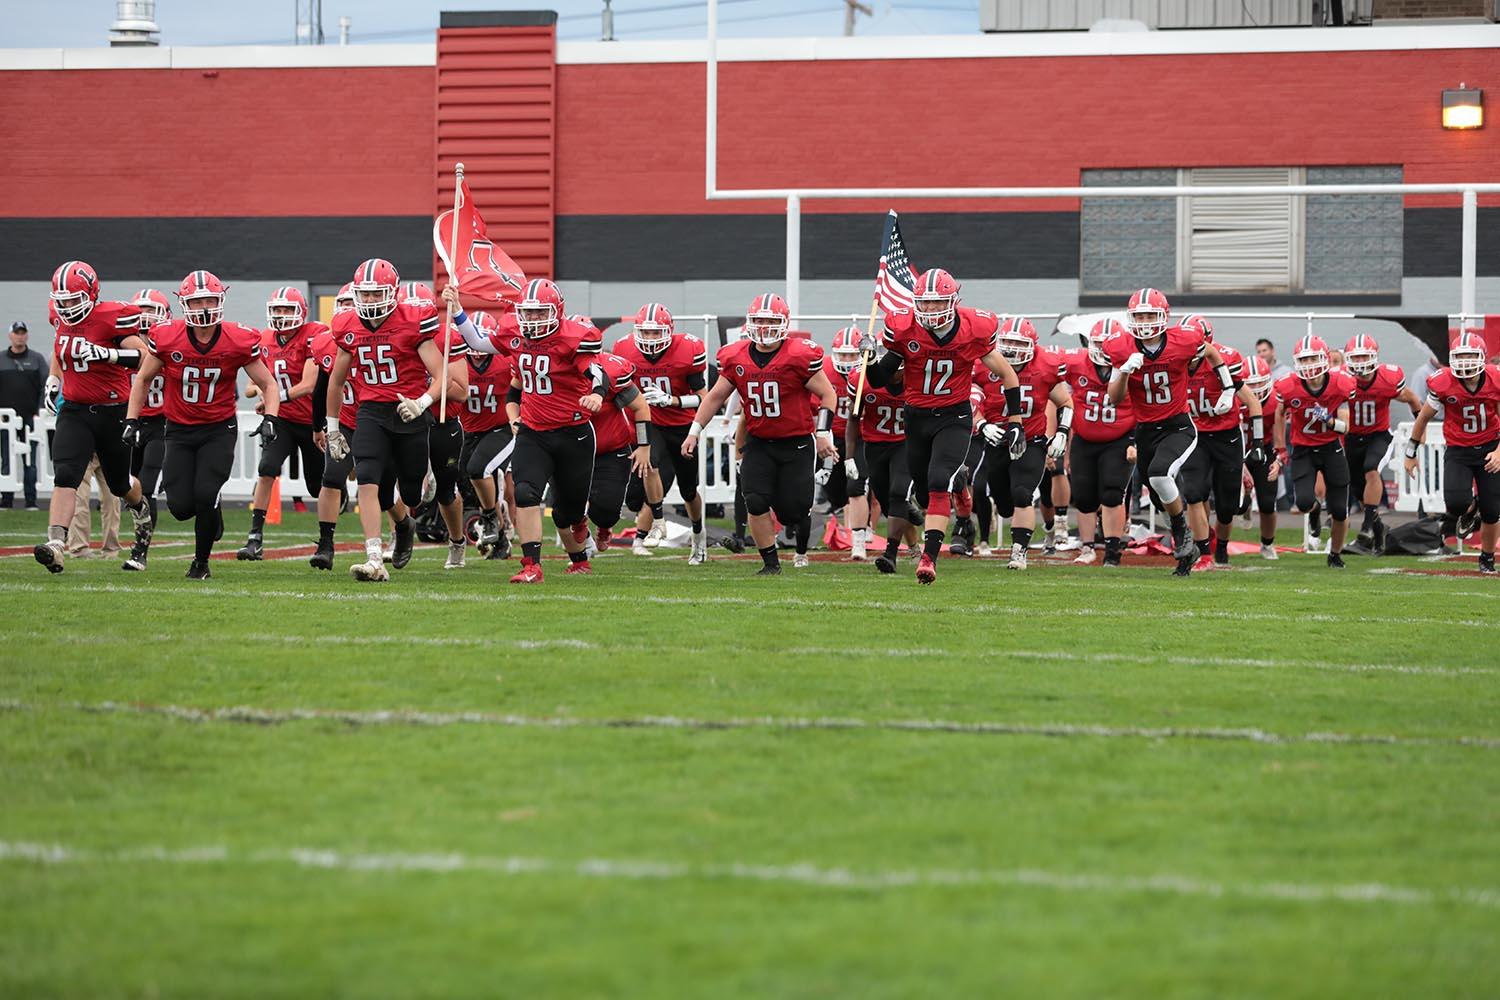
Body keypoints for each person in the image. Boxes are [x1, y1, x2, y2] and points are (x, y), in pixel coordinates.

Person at [863, 269, 1024, 584]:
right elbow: (881, 380)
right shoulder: (905, 329)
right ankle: (960, 484)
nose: (932, 309)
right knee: (923, 494)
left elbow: (1008, 375)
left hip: (954, 416)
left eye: (939, 303)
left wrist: (1015, 421)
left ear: (953, 301)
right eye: (926, 303)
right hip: (916, 416)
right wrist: (869, 358)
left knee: (938, 483)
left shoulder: (974, 328)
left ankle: (928, 560)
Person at [125, 270, 280, 579]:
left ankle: (201, 563)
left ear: (221, 300)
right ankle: (211, 511)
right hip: (179, 429)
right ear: (185, 304)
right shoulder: (168, 336)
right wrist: (132, 419)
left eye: (210, 300)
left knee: (205, 494)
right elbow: (142, 378)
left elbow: (268, 383)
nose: (205, 307)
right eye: (197, 302)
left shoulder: (237, 338)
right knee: (181, 507)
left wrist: (271, 418)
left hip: (218, 429)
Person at [682, 292, 838, 576]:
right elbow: (715, 397)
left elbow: (828, 394)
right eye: (759, 321)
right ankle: (771, 564)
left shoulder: (799, 354)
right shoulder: (736, 356)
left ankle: (798, 545)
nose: (764, 327)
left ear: (783, 323)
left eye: (770, 321)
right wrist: (694, 431)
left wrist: (824, 431)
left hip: (797, 443)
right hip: (759, 441)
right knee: (754, 500)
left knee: (794, 510)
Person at [1104, 288, 1242, 577]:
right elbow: (1115, 398)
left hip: (1178, 426)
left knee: (1159, 474)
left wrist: (1228, 388)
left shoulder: (1184, 339)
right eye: (1138, 315)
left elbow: (1213, 353)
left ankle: (1182, 533)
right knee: (1158, 494)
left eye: (1149, 315)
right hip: (1146, 430)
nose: (1143, 321)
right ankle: (1186, 548)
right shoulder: (1121, 346)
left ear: (1163, 317)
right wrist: (1124, 371)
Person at [326, 259, 445, 582]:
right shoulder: (348, 325)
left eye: (376, 294)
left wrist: (421, 402)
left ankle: (406, 523)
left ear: (393, 293)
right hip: (371, 411)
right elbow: (336, 382)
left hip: (410, 411)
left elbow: (440, 374)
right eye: (364, 295)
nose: (369, 302)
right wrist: (333, 427)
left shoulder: (413, 321)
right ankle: (374, 557)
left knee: (410, 494)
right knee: (367, 479)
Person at [481, 279, 607, 583]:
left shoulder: (573, 337)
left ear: (556, 312)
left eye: (540, 313)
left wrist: (598, 393)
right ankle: (531, 566)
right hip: (533, 431)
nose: (533, 319)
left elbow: (596, 369)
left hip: (573, 432)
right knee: (525, 492)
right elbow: (479, 342)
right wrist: (457, 311)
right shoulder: (515, 335)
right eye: (529, 312)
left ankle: (580, 525)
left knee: (569, 509)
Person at [33, 260, 154, 575]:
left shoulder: (112, 317)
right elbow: (62, 350)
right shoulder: (60, 316)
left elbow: (145, 358)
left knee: (118, 484)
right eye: (63, 301)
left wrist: (109, 354)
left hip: (112, 410)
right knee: (66, 474)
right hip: (74, 408)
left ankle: (141, 511)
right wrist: (54, 381)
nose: (69, 307)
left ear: (91, 293)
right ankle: (57, 544)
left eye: (74, 300)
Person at [613, 304, 710, 563]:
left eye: (656, 333)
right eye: (645, 332)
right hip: (650, 423)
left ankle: (699, 536)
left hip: (681, 425)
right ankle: (658, 521)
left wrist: (672, 400)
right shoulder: (625, 350)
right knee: (651, 464)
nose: (651, 338)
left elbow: (705, 398)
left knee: (689, 491)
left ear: (668, 331)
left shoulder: (687, 350)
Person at [974, 317, 1072, 571]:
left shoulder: (1045, 366)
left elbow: (1065, 402)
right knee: (1005, 505)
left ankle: (1019, 553)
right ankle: (1003, 514)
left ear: (1032, 346)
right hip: (998, 440)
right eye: (1007, 342)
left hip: (1032, 441)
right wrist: (983, 424)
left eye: (1019, 343)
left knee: (1022, 494)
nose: (1011, 349)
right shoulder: (985, 365)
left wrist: (1061, 432)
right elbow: (969, 400)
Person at [236, 286, 325, 561]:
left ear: (302, 312)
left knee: (317, 486)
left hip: (312, 422)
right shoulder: (263, 340)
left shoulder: (313, 334)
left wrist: (278, 395)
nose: (282, 315)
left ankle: (325, 540)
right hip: (283, 420)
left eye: (288, 309)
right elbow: (251, 386)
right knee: (267, 468)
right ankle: (254, 538)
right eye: (278, 309)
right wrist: (261, 392)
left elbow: (309, 385)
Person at [1403, 332, 1500, 574]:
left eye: (1471, 355)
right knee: (1456, 504)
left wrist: (1499, 452)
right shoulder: (1444, 382)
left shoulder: (1495, 380)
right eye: (1461, 356)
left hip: (1490, 447)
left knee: (1492, 510)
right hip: (1459, 449)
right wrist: (1411, 451)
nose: (1466, 361)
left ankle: (1487, 558)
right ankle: (1469, 509)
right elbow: (1424, 417)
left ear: (1483, 358)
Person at [1179, 314, 1262, 570]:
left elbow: (1252, 402)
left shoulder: (1224, 360)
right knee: (1194, 493)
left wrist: (1257, 443)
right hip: (1195, 436)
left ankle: (1222, 547)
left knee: (1228, 508)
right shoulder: (1174, 363)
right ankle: (1204, 554)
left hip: (1227, 436)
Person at [1272, 335, 1356, 568]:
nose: (1309, 365)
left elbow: (1345, 427)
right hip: (1303, 450)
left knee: (1340, 509)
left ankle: (1335, 554)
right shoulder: (1289, 386)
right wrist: (1280, 448)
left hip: (1331, 448)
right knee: (1304, 502)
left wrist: (1328, 420)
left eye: (1313, 359)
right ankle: (1316, 510)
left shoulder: (1340, 384)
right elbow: (1278, 414)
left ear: (1325, 359)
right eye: (1304, 360)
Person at [1062, 319, 1137, 566]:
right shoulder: (1076, 363)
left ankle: (1113, 551)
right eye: (1098, 343)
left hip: (1119, 437)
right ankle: (1087, 547)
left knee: (1113, 492)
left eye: (1108, 344)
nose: (1103, 349)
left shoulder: (1132, 365)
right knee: (1084, 496)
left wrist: (1135, 441)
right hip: (1085, 438)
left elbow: (1145, 406)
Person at [1343, 334, 1421, 552]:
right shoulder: (1343, 380)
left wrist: (1420, 427)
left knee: (1371, 469)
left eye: (1363, 357)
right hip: (1351, 439)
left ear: (1374, 357)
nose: (1359, 362)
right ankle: (1378, 532)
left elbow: (1413, 399)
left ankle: (1367, 527)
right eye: (1355, 358)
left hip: (1379, 436)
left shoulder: (1387, 379)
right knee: (1359, 490)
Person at [578, 332, 653, 559]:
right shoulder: (550, 371)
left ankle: (604, 526)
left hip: (610, 449)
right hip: (572, 449)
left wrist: (644, 446)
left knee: (607, 511)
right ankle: (579, 525)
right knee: (567, 506)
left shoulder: (610, 370)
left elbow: (641, 407)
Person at [453, 307, 516, 560]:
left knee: (480, 469)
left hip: (500, 428)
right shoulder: (456, 360)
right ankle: (500, 540)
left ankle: (491, 518)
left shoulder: (506, 361)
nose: (477, 353)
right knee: (471, 483)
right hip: (469, 429)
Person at [847, 342, 913, 574]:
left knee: (898, 493)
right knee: (888, 502)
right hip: (874, 445)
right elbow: (853, 419)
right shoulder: (862, 380)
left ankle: (890, 554)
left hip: (905, 443)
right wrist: (849, 457)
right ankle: (913, 540)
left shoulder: (917, 380)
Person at [122, 289, 172, 569]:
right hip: (131, 422)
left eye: (152, 309)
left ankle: (141, 551)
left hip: (160, 424)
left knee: (148, 486)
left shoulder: (169, 346)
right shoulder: (123, 347)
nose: (145, 316)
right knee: (127, 486)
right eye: (141, 309)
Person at [818, 327, 870, 560]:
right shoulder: (824, 369)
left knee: (855, 486)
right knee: (835, 492)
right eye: (843, 355)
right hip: (831, 436)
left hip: (861, 437)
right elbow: (813, 407)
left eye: (852, 355)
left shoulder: (871, 372)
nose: (847, 360)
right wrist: (822, 435)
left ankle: (858, 543)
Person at [1239, 356, 1283, 560]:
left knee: (1267, 502)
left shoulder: (1275, 401)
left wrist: (1278, 460)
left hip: (1264, 449)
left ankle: (1267, 544)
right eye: (1251, 383)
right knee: (1234, 502)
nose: (1256, 388)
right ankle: (1245, 504)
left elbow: (1279, 434)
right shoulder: (1233, 398)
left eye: (1259, 382)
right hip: (1239, 449)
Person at [0, 320, 47, 509]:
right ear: (10, 335)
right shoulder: (1, 359)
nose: (20, 336)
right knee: (6, 458)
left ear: (26, 335)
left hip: (30, 418)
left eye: (22, 333)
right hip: (6, 419)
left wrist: (40, 411)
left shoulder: (36, 359)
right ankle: (7, 499)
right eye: (16, 333)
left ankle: (30, 500)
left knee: (30, 459)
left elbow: (46, 386)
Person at [65, 454, 121, 558]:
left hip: (84, 447)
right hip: (105, 446)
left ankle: (79, 548)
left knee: (80, 498)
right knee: (111, 498)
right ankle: (111, 549)